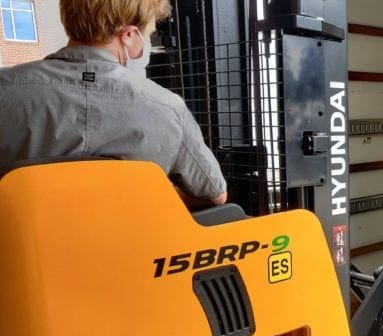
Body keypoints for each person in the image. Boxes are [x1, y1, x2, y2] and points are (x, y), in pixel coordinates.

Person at [0, 0, 227, 207]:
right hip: (130, 248)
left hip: (20, 250)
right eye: (149, 36)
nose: (147, 44)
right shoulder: (169, 109)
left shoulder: (4, 89)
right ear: (128, 35)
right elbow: (214, 194)